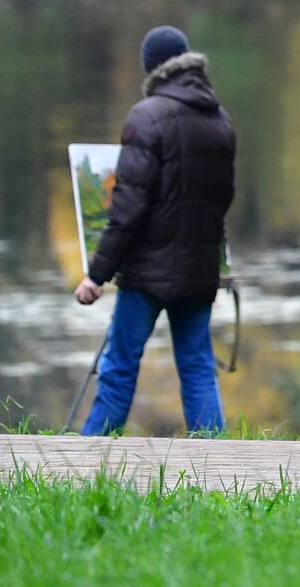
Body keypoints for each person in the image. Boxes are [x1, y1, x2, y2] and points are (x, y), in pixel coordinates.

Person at [74, 26, 236, 436]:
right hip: (199, 270)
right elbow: (223, 199)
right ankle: (217, 460)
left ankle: (87, 460)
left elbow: (127, 209)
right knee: (198, 366)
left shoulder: (146, 116)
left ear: (152, 67)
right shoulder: (220, 120)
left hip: (146, 272)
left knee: (119, 365)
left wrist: (96, 275)